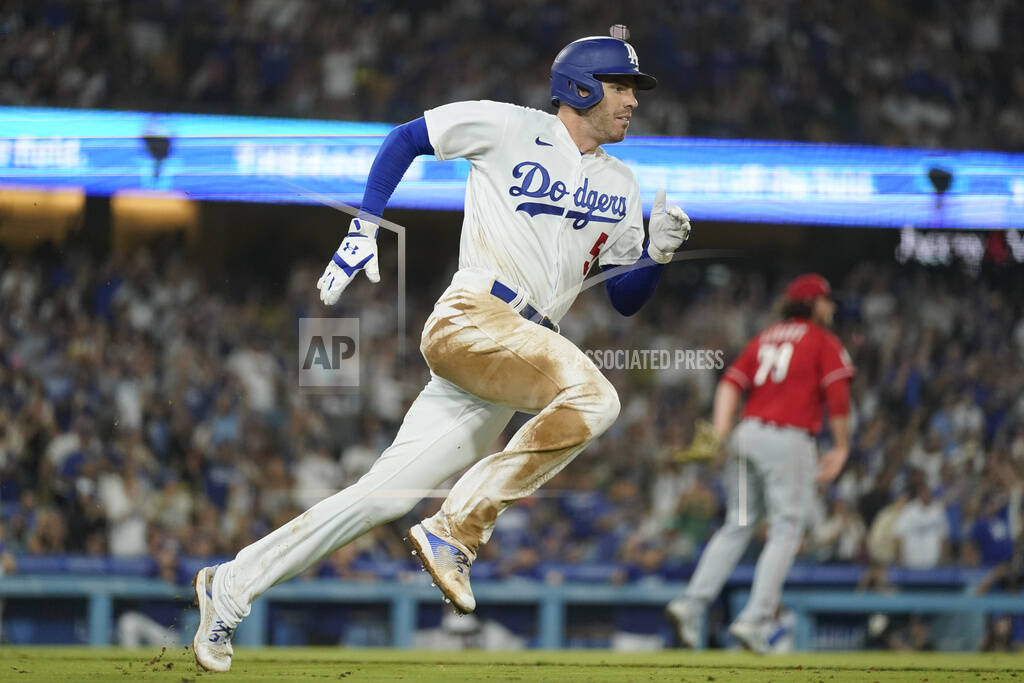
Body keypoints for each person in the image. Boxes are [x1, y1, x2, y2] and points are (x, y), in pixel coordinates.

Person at [191, 27, 692, 673]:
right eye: (621, 86)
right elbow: (407, 136)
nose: (632, 101)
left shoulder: (622, 183)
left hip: (513, 355)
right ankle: (457, 528)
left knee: (383, 496)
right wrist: (365, 221)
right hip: (475, 314)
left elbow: (624, 298)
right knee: (595, 397)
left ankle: (229, 587)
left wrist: (657, 252)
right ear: (581, 87)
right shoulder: (510, 127)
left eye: (633, 89)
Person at [666, 274, 854, 653]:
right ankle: (755, 619)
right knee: (787, 528)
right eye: (826, 300)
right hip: (788, 438)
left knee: (736, 524)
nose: (831, 307)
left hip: (746, 434)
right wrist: (842, 446)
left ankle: (690, 604)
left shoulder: (765, 337)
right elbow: (837, 394)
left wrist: (720, 429)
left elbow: (730, 383)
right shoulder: (822, 340)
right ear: (813, 304)